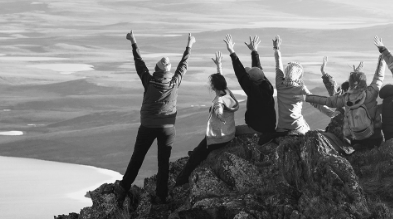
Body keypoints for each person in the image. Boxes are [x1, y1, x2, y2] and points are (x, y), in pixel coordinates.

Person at [115, 30, 194, 205]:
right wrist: (189, 45)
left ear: (157, 69)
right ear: (168, 71)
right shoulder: (174, 83)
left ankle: (123, 188)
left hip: (147, 126)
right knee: (163, 163)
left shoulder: (148, 81)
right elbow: (183, 66)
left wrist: (133, 41)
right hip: (167, 129)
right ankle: (161, 196)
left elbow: (139, 63)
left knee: (138, 157)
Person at [174, 52, 239, 186]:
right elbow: (222, 81)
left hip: (219, 138)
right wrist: (219, 65)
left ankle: (180, 181)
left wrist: (219, 115)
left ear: (213, 87)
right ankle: (201, 152)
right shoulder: (227, 93)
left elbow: (219, 109)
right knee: (200, 149)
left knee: (194, 158)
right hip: (229, 133)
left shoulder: (219, 101)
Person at [305, 54, 387, 148]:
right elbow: (377, 78)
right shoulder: (368, 95)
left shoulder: (344, 101)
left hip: (354, 140)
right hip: (374, 138)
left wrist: (324, 74)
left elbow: (329, 97)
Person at [271, 35, 332, 137]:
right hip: (298, 128)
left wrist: (276, 49)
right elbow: (316, 102)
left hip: (281, 129)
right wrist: (331, 113)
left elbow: (278, 66)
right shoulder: (300, 89)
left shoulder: (279, 84)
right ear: (298, 76)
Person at [223, 35, 278, 144]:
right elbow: (257, 70)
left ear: (252, 81)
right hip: (269, 126)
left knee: (228, 131)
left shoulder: (254, 92)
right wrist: (254, 51)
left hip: (258, 129)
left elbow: (241, 74)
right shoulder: (266, 84)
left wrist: (232, 52)